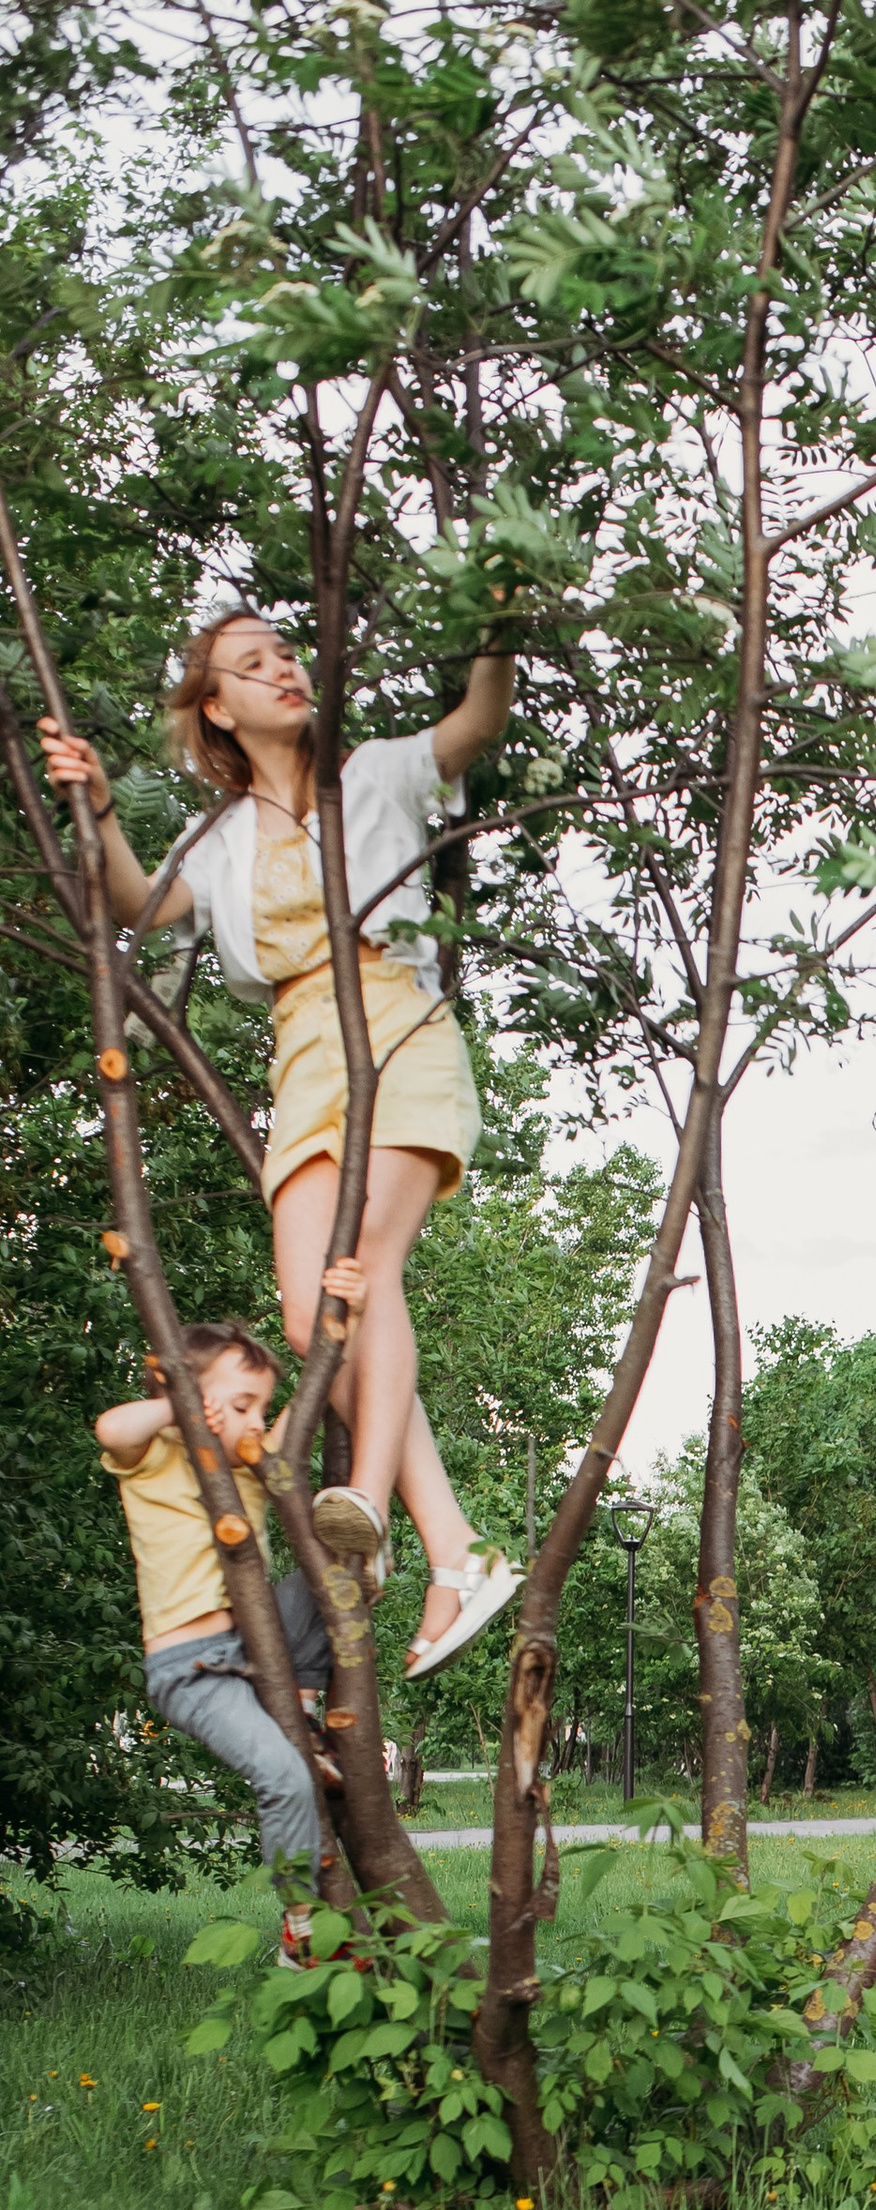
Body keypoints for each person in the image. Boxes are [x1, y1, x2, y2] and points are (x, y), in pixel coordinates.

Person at [41, 611, 518, 1677]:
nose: (282, 671)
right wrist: (99, 805)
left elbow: (477, 720)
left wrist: (495, 617)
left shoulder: (381, 773)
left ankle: (378, 1509)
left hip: (399, 1023)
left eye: (288, 654)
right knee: (310, 1315)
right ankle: (453, 1541)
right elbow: (136, 903)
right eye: (251, 666)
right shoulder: (216, 839)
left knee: (369, 1273)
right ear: (218, 706)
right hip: (302, 1058)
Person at [98, 1313, 352, 1951]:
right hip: (192, 1669)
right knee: (284, 1778)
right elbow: (112, 1427)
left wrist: (342, 1318)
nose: (257, 1421)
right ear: (189, 1395)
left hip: (260, 1648)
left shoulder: (252, 1470)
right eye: (242, 1404)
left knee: (335, 1573)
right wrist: (175, 1409)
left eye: (262, 1407)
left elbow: (310, 1399)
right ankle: (301, 1928)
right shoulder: (154, 1455)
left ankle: (302, 1710)